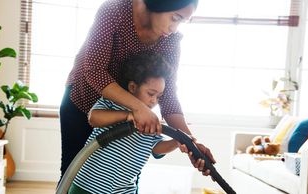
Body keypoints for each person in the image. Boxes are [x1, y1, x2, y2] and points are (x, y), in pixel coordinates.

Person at [59, 0, 216, 185]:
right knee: (73, 174)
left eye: (181, 22)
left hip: (132, 114)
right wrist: (138, 109)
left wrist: (191, 142)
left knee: (124, 174)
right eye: (175, 18)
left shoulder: (171, 41)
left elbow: (169, 94)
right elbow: (94, 71)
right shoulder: (114, 12)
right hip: (83, 100)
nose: (174, 28)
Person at [68, 52, 192, 193]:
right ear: (133, 87)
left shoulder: (151, 120)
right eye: (151, 94)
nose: (154, 101)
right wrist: (128, 115)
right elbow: (94, 118)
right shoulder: (113, 103)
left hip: (123, 190)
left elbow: (156, 148)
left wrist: (177, 141)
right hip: (88, 185)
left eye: (159, 97)